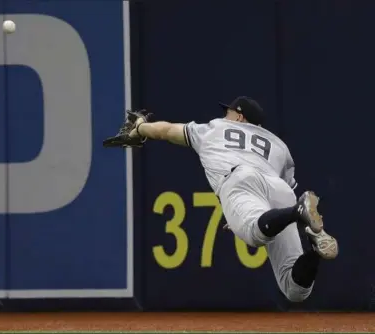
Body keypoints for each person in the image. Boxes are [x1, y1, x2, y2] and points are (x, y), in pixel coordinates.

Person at [129, 96, 338, 302]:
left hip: (240, 179)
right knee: (296, 291)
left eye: (228, 111)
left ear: (239, 117)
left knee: (254, 236)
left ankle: (297, 212)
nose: (224, 114)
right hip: (280, 188)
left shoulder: (215, 128)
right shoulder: (279, 146)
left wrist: (140, 127)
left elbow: (165, 131)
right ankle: (314, 248)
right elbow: (279, 191)